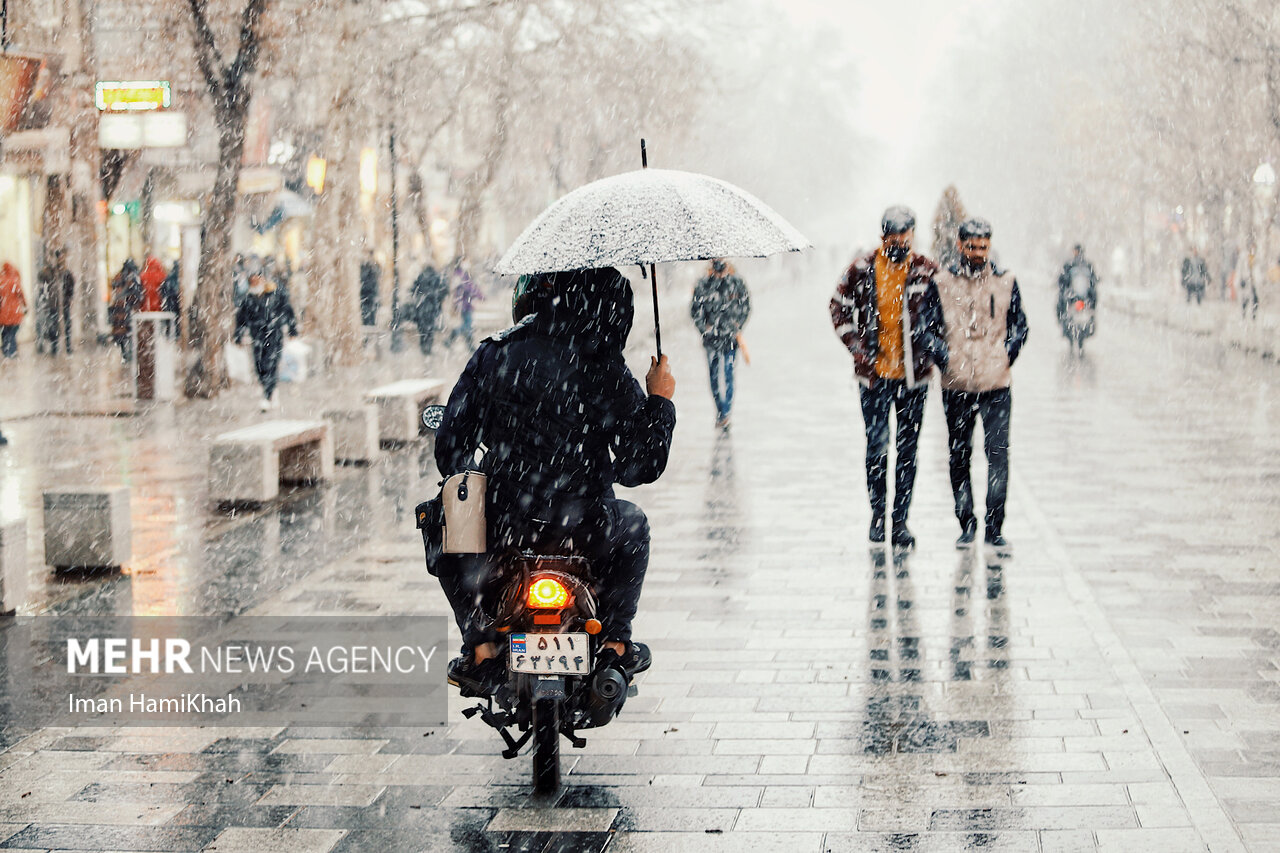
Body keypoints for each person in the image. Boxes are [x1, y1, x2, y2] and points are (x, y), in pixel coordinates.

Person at [433, 267, 676, 693]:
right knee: (633, 523)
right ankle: (617, 642)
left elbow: (450, 453)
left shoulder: (495, 355)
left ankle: (481, 647)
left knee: (447, 513)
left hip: (505, 529)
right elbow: (641, 467)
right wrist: (658, 401)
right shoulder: (605, 365)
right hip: (587, 528)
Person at [829, 206, 946, 549]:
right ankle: (878, 516)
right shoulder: (863, 268)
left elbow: (945, 313)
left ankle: (901, 521)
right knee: (877, 449)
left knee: (908, 451)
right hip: (875, 378)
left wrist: (932, 345)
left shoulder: (926, 270)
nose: (899, 244)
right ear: (882, 238)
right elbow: (837, 304)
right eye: (893, 239)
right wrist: (856, 345)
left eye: (905, 238)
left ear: (913, 235)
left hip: (914, 378)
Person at [934, 218, 1029, 552]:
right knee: (959, 456)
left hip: (996, 385)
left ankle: (994, 526)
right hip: (956, 384)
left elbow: (1020, 326)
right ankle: (966, 522)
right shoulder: (943, 282)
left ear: (990, 246)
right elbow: (927, 328)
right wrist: (944, 357)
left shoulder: (1005, 282)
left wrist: (1005, 356)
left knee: (998, 456)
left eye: (983, 247)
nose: (977, 252)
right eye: (972, 246)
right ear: (960, 245)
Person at [690, 259, 751, 429]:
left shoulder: (736, 282)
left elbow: (746, 306)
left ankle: (726, 413)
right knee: (714, 376)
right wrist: (705, 329)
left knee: (729, 374)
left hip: (731, 339)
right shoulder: (703, 284)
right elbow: (695, 311)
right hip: (711, 341)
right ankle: (721, 412)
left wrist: (737, 325)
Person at [234, 269, 299, 410]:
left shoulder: (275, 294)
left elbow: (288, 310)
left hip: (274, 335)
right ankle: (269, 389)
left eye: (257, 279)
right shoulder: (248, 299)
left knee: (270, 363)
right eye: (252, 281)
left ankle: (268, 395)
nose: (255, 283)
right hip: (257, 336)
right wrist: (238, 336)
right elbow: (241, 319)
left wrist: (292, 329)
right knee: (259, 365)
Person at [409, 260, 448, 355]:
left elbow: (413, 289)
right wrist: (438, 300)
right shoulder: (437, 277)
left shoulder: (421, 276)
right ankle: (428, 347)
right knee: (430, 328)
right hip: (432, 307)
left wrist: (418, 297)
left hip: (421, 307)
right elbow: (444, 290)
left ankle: (423, 347)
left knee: (422, 328)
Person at [1056, 244, 1097, 331]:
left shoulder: (1075, 264)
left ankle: (1063, 319)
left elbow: (1093, 279)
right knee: (1062, 300)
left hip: (1079, 294)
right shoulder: (1082, 264)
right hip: (1074, 294)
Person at [109, 259, 142, 361]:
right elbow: (136, 295)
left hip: (118, 309)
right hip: (126, 310)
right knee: (129, 331)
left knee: (121, 333)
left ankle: (124, 354)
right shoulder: (131, 278)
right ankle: (130, 354)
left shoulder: (119, 276)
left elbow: (113, 286)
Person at [446, 262, 484, 349]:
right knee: (467, 326)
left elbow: (471, 288)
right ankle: (455, 334)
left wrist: (480, 295)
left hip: (464, 306)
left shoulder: (460, 276)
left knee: (468, 326)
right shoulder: (462, 276)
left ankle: (468, 345)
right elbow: (471, 289)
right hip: (465, 306)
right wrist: (480, 296)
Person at [0, 262, 26, 359]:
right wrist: (25, 306)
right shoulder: (14, 281)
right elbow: (21, 295)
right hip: (15, 314)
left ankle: (6, 353)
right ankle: (12, 353)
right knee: (12, 335)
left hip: (3, 315)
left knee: (5, 334)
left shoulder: (1, 281)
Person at [359, 251, 381, 328]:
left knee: (369, 313)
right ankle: (369, 324)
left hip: (368, 294)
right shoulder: (370, 267)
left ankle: (369, 324)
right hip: (368, 294)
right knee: (368, 313)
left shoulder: (373, 267)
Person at [161, 260, 182, 338]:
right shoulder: (181, 277)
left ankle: (170, 336)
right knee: (177, 323)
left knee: (170, 324)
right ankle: (177, 337)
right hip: (178, 305)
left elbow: (163, 291)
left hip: (170, 304)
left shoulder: (169, 277)